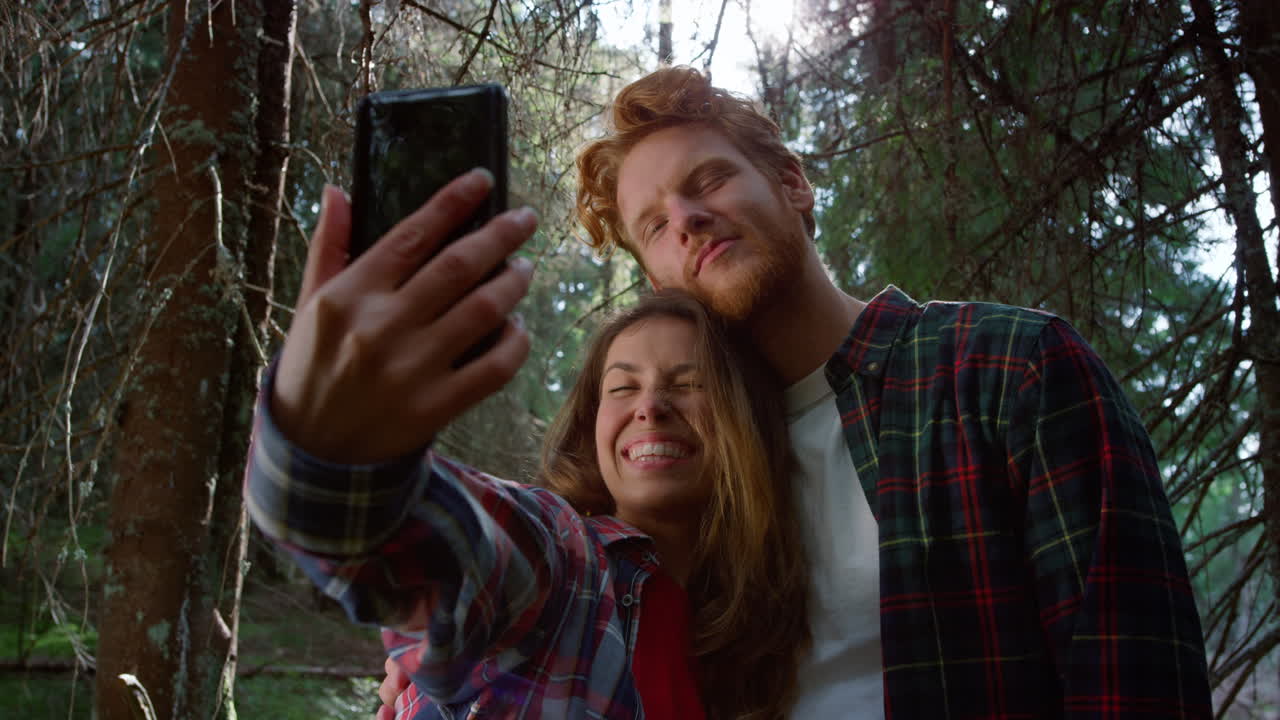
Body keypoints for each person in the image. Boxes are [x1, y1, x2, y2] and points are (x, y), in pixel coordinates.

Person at [383, 66, 1215, 717]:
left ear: (790, 181)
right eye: (652, 225)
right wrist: (426, 667)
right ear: (656, 276)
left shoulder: (1006, 371)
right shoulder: (682, 467)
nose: (686, 219)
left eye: (707, 181)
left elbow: (1135, 681)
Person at [244, 169, 812, 719]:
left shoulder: (744, 655)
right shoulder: (564, 564)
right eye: (622, 387)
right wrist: (327, 449)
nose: (649, 406)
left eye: (687, 384)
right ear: (593, 425)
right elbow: (418, 538)